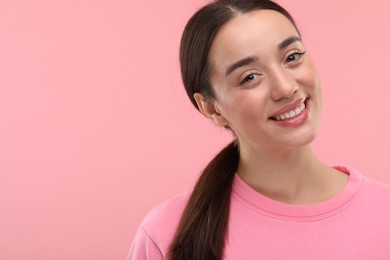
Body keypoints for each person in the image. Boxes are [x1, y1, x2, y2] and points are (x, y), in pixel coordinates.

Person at [128, 0, 390, 259]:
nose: (285, 88)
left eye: (292, 57)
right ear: (212, 109)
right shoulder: (166, 235)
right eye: (250, 77)